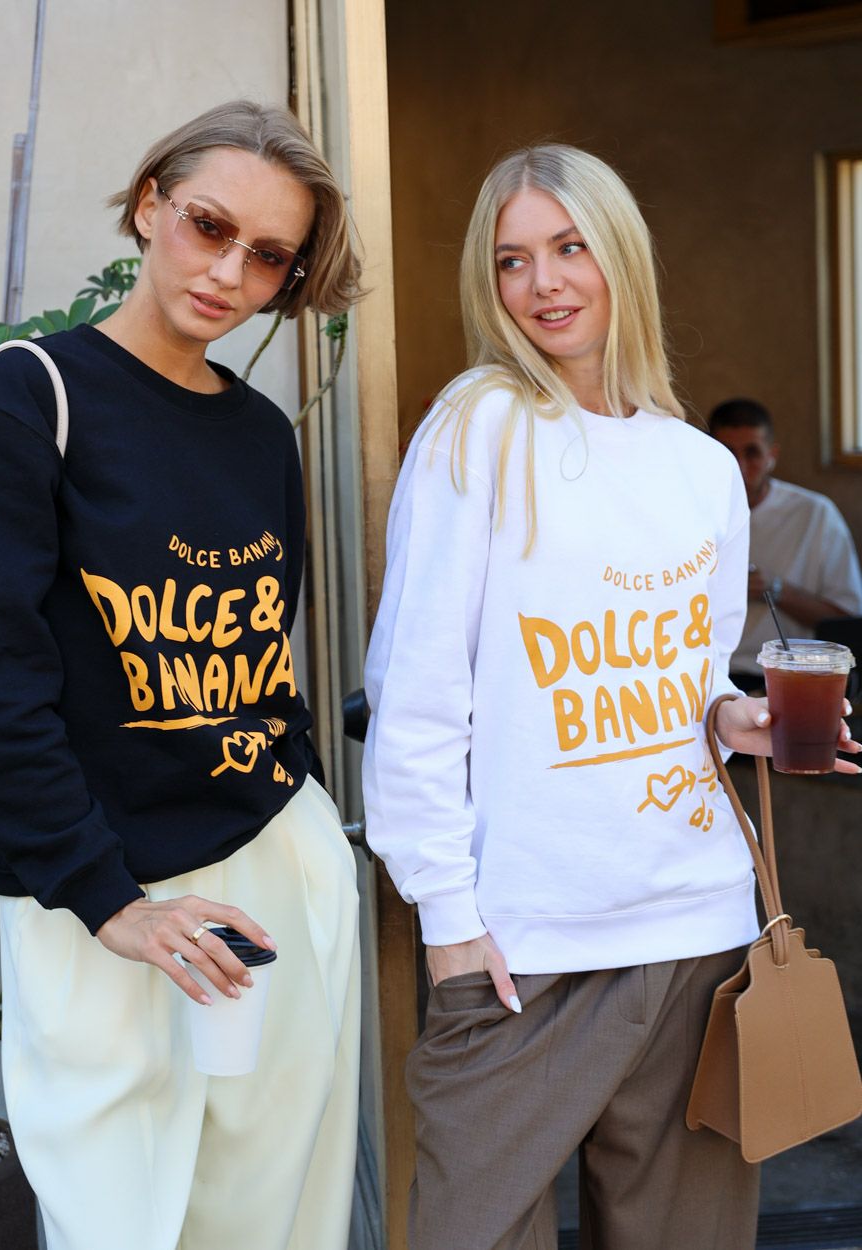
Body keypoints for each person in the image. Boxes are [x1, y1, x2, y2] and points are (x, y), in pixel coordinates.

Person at [361, 145, 860, 1250]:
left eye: (569, 246)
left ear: (620, 254)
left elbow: (692, 671)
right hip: (522, 946)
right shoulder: (479, 428)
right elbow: (416, 690)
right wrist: (448, 920)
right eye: (512, 260)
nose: (543, 282)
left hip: (699, 928)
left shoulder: (699, 467)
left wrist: (731, 715)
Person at [0, 101, 363, 1250]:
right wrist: (107, 897)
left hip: (271, 866)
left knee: (269, 1220)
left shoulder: (260, 434)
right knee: (114, 1216)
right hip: (99, 892)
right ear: (151, 203)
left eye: (268, 255)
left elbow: (263, 661)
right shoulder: (30, 396)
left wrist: (310, 831)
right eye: (209, 225)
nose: (228, 272)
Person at [709, 397, 862, 689]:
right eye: (728, 453)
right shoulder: (692, 513)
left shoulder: (815, 514)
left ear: (772, 455)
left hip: (790, 674)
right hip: (712, 673)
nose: (740, 467)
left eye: (752, 453)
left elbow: (848, 621)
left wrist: (776, 590)